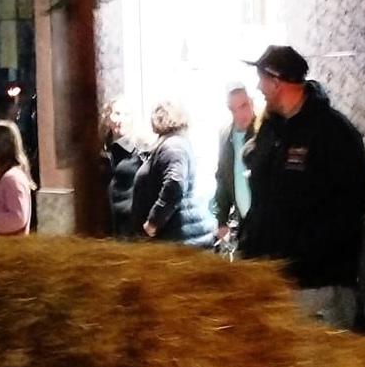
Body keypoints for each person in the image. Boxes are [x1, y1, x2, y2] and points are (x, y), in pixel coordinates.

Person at [239, 45, 365, 328]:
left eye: (261, 79)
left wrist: (307, 251)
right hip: (274, 279)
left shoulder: (333, 131)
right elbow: (265, 197)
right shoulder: (270, 130)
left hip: (318, 283)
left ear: (277, 82)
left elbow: (356, 201)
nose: (258, 87)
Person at [131, 101, 215, 246]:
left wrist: (153, 222)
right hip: (181, 234)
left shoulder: (173, 146)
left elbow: (174, 184)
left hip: (179, 237)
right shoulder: (174, 143)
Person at [211, 86, 257, 249]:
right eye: (233, 109)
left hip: (265, 221)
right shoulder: (226, 135)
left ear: (251, 103)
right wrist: (221, 220)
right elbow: (222, 177)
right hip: (242, 222)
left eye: (243, 106)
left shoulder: (264, 132)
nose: (239, 115)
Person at [100, 102, 144, 239]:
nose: (121, 120)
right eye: (117, 114)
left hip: (132, 222)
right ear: (107, 118)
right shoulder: (101, 147)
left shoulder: (141, 149)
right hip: (107, 221)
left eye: (126, 115)